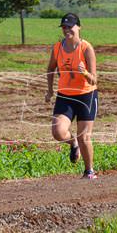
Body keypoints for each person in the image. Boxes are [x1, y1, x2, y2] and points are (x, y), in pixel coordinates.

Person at [45, 13, 98, 180]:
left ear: (78, 27)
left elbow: (95, 79)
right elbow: (50, 69)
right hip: (65, 96)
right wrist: (49, 90)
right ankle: (72, 142)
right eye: (64, 27)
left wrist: (85, 73)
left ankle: (89, 170)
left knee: (85, 137)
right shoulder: (57, 47)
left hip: (86, 96)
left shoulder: (86, 48)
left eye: (70, 26)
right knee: (58, 132)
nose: (67, 29)